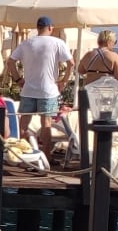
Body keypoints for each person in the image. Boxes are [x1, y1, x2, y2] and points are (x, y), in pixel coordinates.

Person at [7, 16, 72, 156]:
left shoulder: (26, 43)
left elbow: (10, 62)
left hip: (28, 89)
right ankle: (46, 156)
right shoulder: (57, 42)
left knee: (23, 124)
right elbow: (71, 63)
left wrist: (18, 79)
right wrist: (64, 81)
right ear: (50, 28)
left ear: (37, 28)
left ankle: (23, 154)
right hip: (48, 91)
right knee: (46, 124)